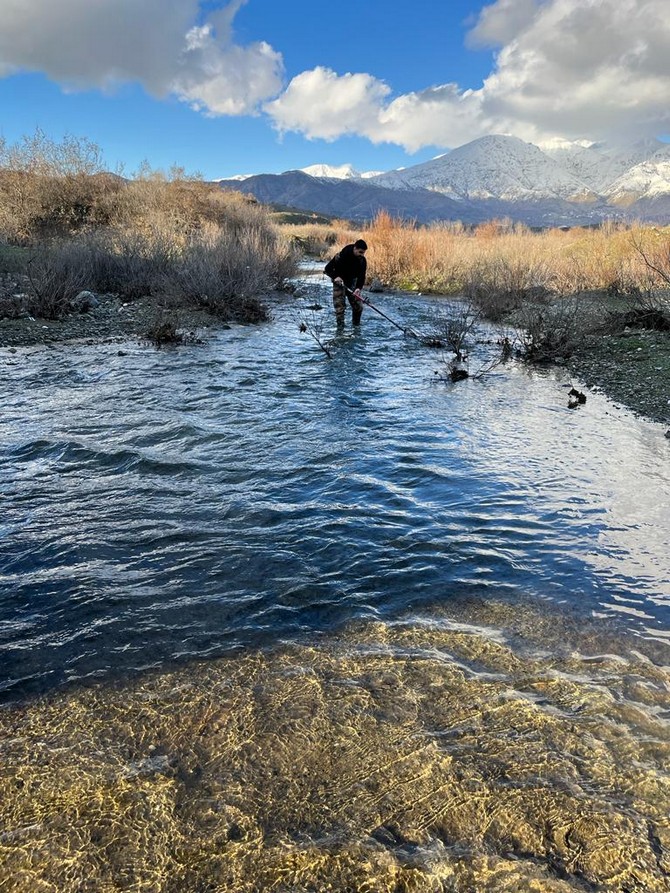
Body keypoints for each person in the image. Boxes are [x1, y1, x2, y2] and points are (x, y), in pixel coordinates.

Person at [324, 239, 368, 327]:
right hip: (339, 283)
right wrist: (335, 276)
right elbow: (327, 269)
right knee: (340, 309)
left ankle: (356, 327)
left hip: (352, 283)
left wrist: (358, 288)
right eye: (360, 252)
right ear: (355, 248)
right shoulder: (340, 256)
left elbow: (362, 277)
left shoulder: (362, 261)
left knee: (358, 307)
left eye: (363, 253)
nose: (362, 255)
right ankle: (340, 331)